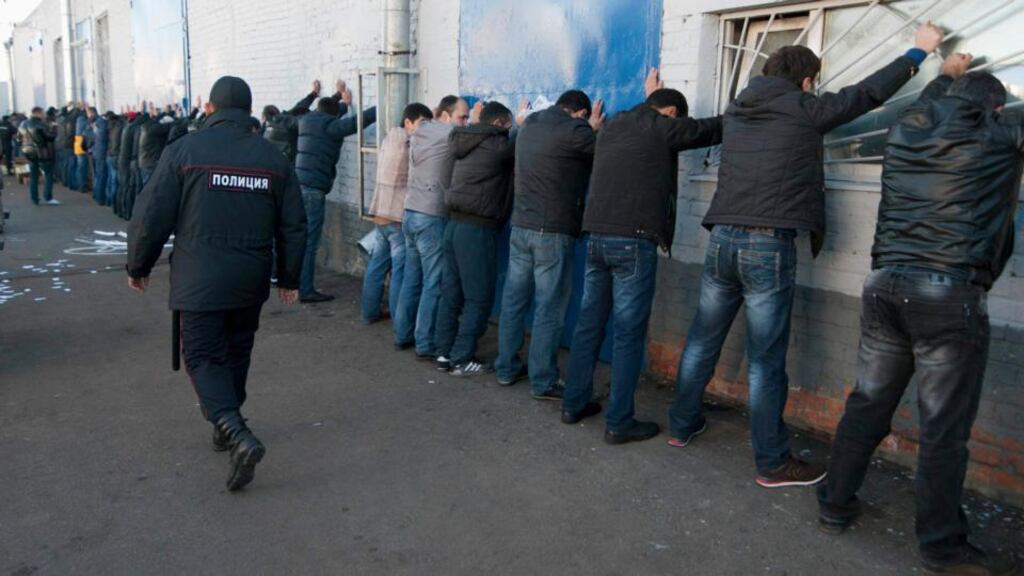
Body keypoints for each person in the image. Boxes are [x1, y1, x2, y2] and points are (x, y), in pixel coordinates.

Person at [666, 22, 945, 488]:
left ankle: (681, 425)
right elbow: (866, 94)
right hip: (766, 246)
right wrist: (917, 53)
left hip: (722, 239)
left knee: (701, 339)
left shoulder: (737, 109)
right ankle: (772, 462)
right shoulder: (804, 108)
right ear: (807, 81)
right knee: (765, 360)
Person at [818, 60, 1022, 576]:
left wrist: (944, 73)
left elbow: (933, 105)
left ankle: (834, 504)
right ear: (995, 108)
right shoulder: (999, 137)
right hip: (946, 295)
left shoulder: (906, 128)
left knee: (867, 404)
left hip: (884, 284)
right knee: (942, 431)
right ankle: (942, 548)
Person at [126, 76, 307, 492]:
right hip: (250, 277)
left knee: (203, 356)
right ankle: (226, 425)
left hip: (199, 277)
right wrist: (290, 277)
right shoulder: (272, 157)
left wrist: (138, 265)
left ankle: (236, 431)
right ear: (249, 111)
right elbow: (294, 225)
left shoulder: (185, 151)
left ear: (209, 109)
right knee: (237, 349)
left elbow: (151, 214)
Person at [562, 71, 723, 444]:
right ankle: (619, 422)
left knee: (588, 326)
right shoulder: (662, 127)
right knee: (628, 334)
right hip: (633, 242)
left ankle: (573, 403)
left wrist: (650, 95)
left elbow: (647, 116)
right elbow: (710, 129)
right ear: (671, 113)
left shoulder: (614, 125)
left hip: (596, 238)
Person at [495, 89, 603, 399]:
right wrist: (593, 129)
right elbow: (604, 153)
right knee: (550, 307)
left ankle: (506, 368)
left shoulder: (529, 124)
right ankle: (542, 380)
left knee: (513, 301)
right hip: (552, 232)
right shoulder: (577, 129)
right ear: (581, 113)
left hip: (520, 226)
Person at [434, 101, 520, 376]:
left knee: (451, 294)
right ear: (498, 124)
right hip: (476, 229)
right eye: (506, 126)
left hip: (454, 225)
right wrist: (521, 124)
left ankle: (444, 353)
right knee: (479, 298)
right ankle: (462, 359)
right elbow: (519, 145)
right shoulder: (497, 146)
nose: (508, 131)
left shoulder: (464, 139)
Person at [393, 95, 471, 357]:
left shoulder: (420, 131)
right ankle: (425, 343)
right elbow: (469, 136)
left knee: (412, 278)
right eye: (462, 117)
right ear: (445, 117)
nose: (465, 123)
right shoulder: (447, 133)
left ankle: (402, 334)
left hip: (410, 212)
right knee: (433, 282)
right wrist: (479, 121)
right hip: (431, 215)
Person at [295, 80, 377, 303]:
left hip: (298, 187)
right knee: (310, 243)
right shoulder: (331, 127)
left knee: (300, 240)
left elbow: (328, 113)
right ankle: (305, 290)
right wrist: (384, 104)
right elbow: (355, 123)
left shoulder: (306, 121)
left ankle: (296, 283)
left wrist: (341, 100)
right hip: (313, 192)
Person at [361, 103, 433, 326]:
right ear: (408, 122)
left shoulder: (389, 138)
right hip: (397, 217)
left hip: (380, 213)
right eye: (422, 123)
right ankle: (399, 319)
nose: (426, 129)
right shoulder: (409, 144)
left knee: (377, 266)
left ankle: (369, 312)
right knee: (400, 272)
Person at [263, 80, 320, 166]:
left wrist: (314, 94)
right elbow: (300, 108)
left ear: (264, 117)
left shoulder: (265, 131)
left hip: (282, 165)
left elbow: (299, 107)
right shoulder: (284, 120)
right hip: (293, 162)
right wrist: (315, 95)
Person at [17, 107, 59, 206]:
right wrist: (54, 128)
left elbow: (18, 139)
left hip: (29, 152)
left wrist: (25, 146)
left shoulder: (23, 124)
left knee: (33, 175)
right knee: (48, 173)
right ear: (38, 113)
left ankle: (34, 199)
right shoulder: (41, 124)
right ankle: (48, 197)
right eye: (42, 113)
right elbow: (50, 137)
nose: (44, 115)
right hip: (41, 152)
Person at [87, 107, 109, 206]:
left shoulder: (95, 123)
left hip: (96, 151)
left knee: (97, 175)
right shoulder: (102, 123)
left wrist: (91, 148)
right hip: (101, 151)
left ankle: (97, 195)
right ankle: (100, 198)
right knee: (101, 175)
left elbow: (91, 137)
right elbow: (103, 138)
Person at [105, 112, 123, 210]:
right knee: (114, 180)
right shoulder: (119, 128)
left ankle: (108, 199)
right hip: (115, 155)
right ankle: (113, 201)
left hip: (108, 154)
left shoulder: (108, 127)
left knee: (109, 178)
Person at [74, 104, 90, 193]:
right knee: (82, 168)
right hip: (82, 145)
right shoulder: (83, 120)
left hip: (77, 144)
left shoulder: (78, 120)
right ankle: (82, 186)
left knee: (80, 167)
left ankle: (79, 184)